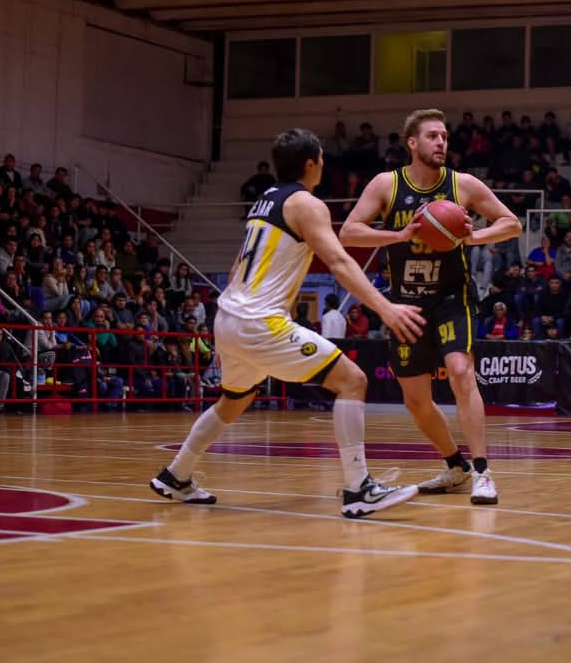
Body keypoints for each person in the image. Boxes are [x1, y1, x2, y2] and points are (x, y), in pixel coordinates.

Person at [152, 129, 426, 518]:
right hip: (260, 321)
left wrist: (397, 236)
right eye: (322, 159)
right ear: (311, 163)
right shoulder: (307, 204)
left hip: (228, 316)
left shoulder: (265, 200)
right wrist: (386, 308)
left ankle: (176, 475)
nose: (324, 165)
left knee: (234, 400)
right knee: (352, 381)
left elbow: (240, 261)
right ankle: (359, 488)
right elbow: (339, 261)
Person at [341, 108, 522, 505]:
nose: (441, 142)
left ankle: (482, 472)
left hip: (451, 297)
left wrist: (473, 238)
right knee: (416, 400)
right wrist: (399, 235)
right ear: (412, 143)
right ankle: (456, 466)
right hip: (405, 303)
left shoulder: (462, 184)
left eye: (444, 136)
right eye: (433, 136)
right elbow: (349, 232)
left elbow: (512, 223)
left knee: (460, 372)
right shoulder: (387, 184)